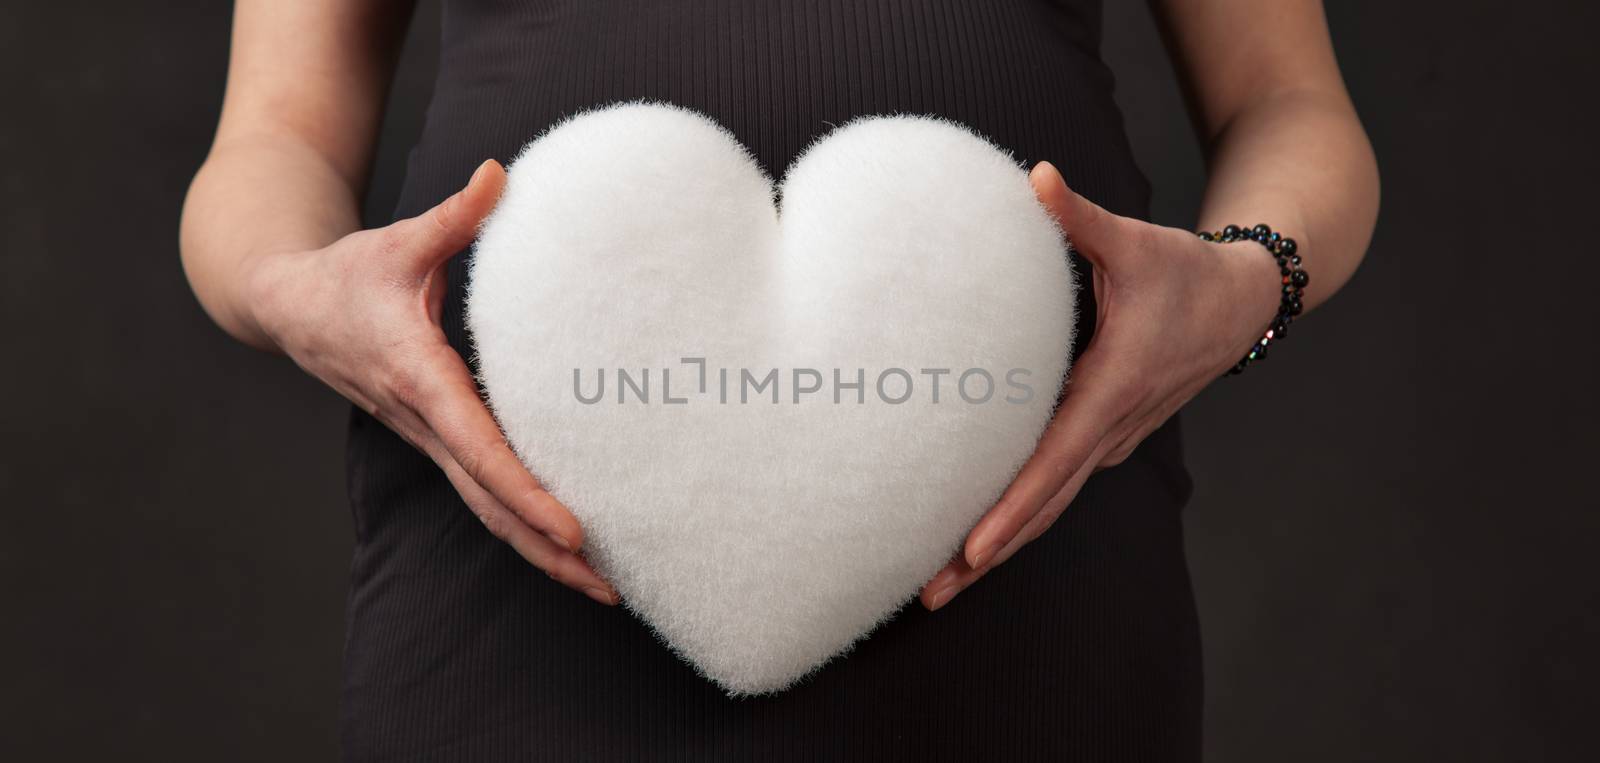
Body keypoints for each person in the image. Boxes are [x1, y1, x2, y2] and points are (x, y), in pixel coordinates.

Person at [180, 0, 1378, 759]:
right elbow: (273, 138)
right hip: (511, 596)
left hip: (1031, 573)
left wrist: (1247, 282)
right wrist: (294, 289)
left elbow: (1288, 102)